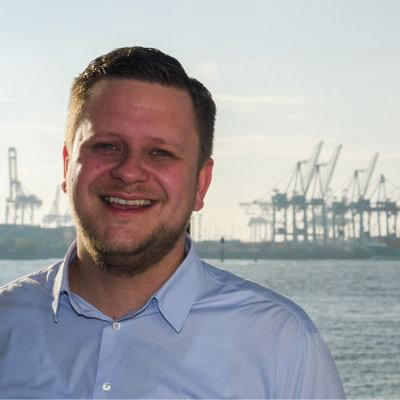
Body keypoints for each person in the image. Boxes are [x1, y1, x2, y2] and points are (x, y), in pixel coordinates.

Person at [0, 47, 345, 399]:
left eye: (160, 153)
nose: (129, 172)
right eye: (107, 146)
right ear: (66, 165)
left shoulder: (282, 347)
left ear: (201, 184)